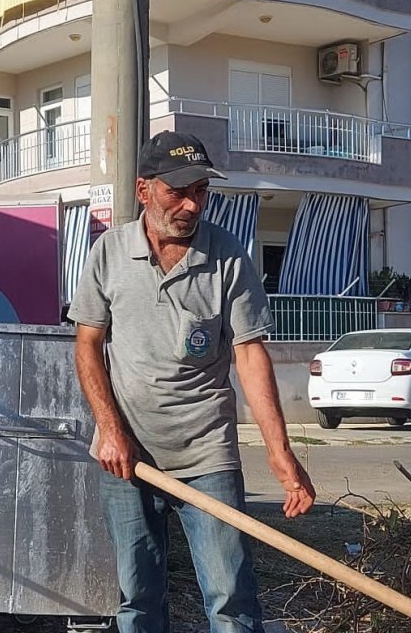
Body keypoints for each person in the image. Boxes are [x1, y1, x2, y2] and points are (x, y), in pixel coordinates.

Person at [67, 130, 316, 633]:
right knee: (138, 597)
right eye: (177, 191)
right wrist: (110, 430)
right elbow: (87, 346)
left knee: (231, 597)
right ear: (144, 190)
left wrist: (280, 452)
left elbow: (249, 355)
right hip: (126, 456)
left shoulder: (227, 258)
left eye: (200, 191)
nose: (190, 204)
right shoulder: (109, 253)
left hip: (207, 454)